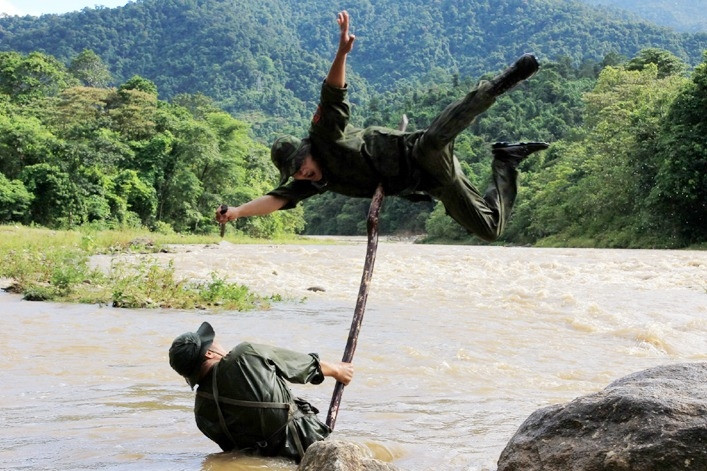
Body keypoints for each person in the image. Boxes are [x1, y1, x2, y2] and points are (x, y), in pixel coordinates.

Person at [215, 11, 549, 242]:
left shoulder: (324, 137)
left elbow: (332, 93)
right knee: (490, 230)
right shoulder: (315, 182)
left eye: (299, 167)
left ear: (308, 152)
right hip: (432, 181)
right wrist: (237, 212)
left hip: (417, 152)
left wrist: (341, 52)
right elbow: (275, 199)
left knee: (434, 141)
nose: (301, 174)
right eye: (295, 174)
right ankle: (507, 159)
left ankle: (497, 86)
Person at [168, 321, 354, 461]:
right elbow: (304, 367)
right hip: (310, 446)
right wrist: (339, 371)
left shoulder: (201, 413)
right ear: (209, 354)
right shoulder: (245, 355)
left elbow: (235, 455)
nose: (217, 342)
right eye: (211, 342)